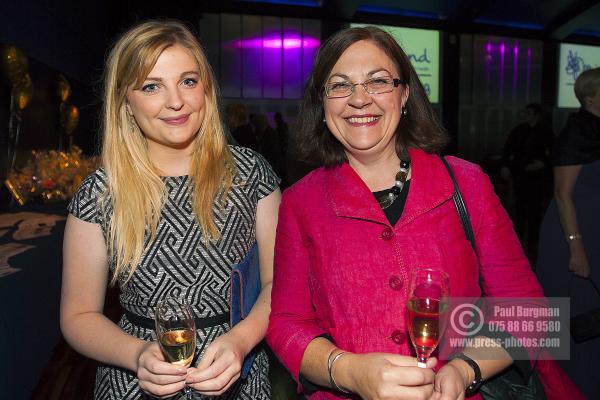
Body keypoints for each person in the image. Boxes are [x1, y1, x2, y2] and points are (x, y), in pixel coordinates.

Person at [266, 26, 582, 400]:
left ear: (404, 95)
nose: (359, 99)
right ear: (323, 104)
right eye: (340, 85)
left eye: (378, 81)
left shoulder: (467, 183)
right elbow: (287, 323)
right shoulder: (301, 202)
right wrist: (350, 372)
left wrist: (464, 371)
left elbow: (529, 311)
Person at [60, 20, 280, 400]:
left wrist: (241, 341)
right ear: (126, 102)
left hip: (238, 376)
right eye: (151, 86)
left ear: (206, 89)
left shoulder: (251, 175)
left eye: (188, 81)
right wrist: (138, 354)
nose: (175, 101)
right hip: (135, 379)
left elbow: (279, 283)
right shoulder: (99, 194)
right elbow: (78, 316)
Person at [537, 67, 600, 398]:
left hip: (596, 230)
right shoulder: (578, 132)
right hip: (573, 231)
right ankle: (566, 388)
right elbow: (563, 195)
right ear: (590, 97)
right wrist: (576, 248)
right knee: (576, 316)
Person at [501, 103, 553, 260]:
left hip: (537, 178)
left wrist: (543, 163)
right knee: (519, 209)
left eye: (529, 113)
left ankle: (532, 244)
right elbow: (508, 149)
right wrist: (505, 166)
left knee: (535, 211)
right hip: (521, 175)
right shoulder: (519, 131)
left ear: (536, 115)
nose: (526, 116)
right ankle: (517, 245)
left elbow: (554, 153)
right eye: (526, 113)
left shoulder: (545, 132)